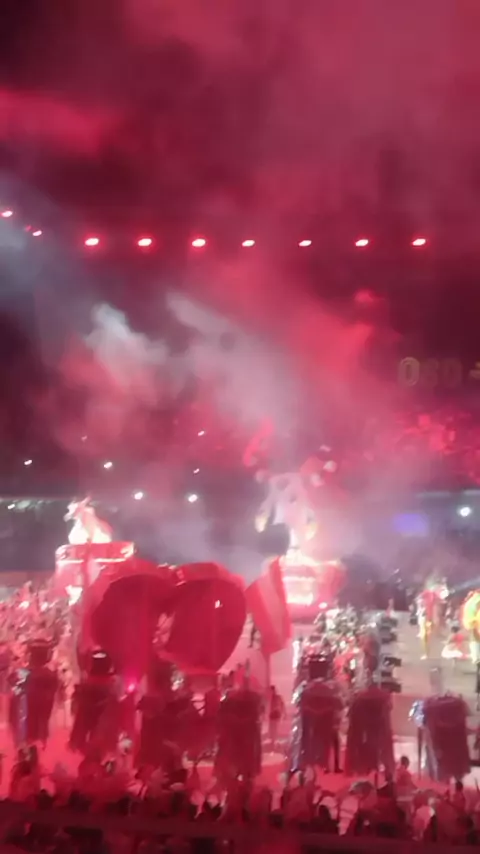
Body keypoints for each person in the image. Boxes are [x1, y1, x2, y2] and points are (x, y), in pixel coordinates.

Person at [268, 685, 285, 751]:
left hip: (276, 714)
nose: (270, 692)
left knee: (274, 728)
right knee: (272, 728)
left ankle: (274, 742)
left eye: (271, 691)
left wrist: (283, 712)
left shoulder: (277, 697)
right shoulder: (271, 698)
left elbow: (282, 705)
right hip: (272, 715)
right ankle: (273, 742)